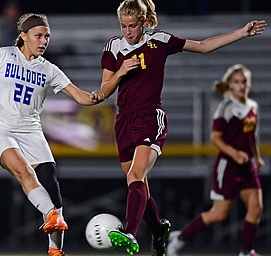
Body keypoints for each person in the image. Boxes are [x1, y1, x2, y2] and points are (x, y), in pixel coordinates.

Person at [99, 0, 267, 255]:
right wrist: (120, 72)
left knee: (135, 177)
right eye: (123, 26)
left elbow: (203, 46)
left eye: (132, 26)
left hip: (149, 118)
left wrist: (241, 32)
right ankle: (158, 231)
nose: (127, 32)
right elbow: (104, 90)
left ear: (144, 23)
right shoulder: (114, 46)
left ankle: (130, 233)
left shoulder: (161, 41)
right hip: (123, 121)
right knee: (138, 184)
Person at [0, 13, 104, 256]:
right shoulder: (4, 55)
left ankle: (55, 251)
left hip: (31, 132)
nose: (44, 41)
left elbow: (81, 97)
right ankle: (51, 216)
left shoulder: (49, 69)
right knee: (24, 171)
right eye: (38, 36)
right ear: (23, 36)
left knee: (53, 190)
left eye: (47, 37)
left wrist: (101, 93)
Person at [167, 64, 265, 256]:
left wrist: (257, 157)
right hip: (227, 166)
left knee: (256, 208)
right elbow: (215, 138)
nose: (241, 85)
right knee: (219, 213)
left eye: (244, 81)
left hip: (247, 167)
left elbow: (251, 135)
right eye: (237, 82)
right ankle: (180, 237)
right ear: (229, 84)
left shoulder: (252, 106)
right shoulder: (225, 108)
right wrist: (235, 154)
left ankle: (246, 252)